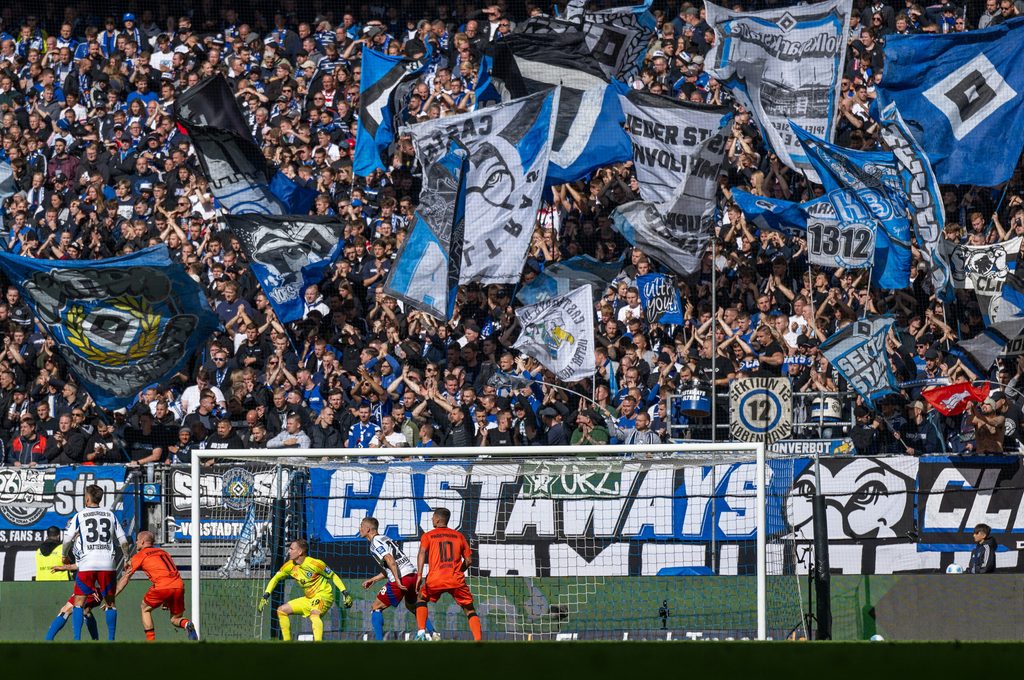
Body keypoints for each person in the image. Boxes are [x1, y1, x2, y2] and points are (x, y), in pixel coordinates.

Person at [61, 484, 130, 640]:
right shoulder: (110, 515)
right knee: (110, 603)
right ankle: (111, 641)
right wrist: (126, 558)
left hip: (87, 564)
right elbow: (123, 541)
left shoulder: (80, 515)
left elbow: (67, 539)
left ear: (87, 498)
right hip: (108, 564)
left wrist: (64, 555)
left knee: (79, 602)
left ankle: (77, 640)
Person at [257, 538, 353, 641]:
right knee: (281, 610)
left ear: (300, 552)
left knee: (314, 614)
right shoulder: (289, 566)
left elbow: (333, 576)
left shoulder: (315, 564)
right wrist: (266, 595)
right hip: (308, 599)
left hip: (323, 596)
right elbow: (275, 578)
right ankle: (286, 643)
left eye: (291, 549)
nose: (289, 551)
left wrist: (345, 593)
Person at [359, 517, 437, 640]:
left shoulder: (375, 543)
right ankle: (433, 633)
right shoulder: (386, 538)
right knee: (412, 606)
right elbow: (390, 566)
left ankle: (379, 643)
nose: (360, 528)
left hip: (401, 579)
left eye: (361, 526)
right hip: (412, 575)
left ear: (368, 529)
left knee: (376, 607)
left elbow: (390, 560)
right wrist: (373, 579)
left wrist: (397, 579)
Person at [113, 531, 198, 641]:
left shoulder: (141, 555)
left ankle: (151, 642)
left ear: (142, 542)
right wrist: (167, 599)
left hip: (162, 586)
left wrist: (112, 596)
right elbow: (165, 572)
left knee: (145, 609)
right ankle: (187, 624)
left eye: (137, 541)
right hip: (178, 585)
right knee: (175, 619)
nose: (136, 543)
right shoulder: (164, 552)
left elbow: (125, 578)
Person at [415, 507, 481, 641]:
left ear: (438, 519)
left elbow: (422, 553)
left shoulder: (428, 536)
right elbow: (468, 561)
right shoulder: (459, 536)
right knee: (469, 610)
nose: (432, 519)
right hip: (456, 580)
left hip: (435, 579)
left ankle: (421, 632)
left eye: (433, 517)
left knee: (421, 599)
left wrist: (419, 575)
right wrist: (459, 571)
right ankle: (479, 642)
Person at [43, 562, 103, 640]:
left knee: (66, 610)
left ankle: (48, 640)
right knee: (85, 611)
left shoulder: (89, 553)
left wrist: (63, 566)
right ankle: (95, 641)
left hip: (90, 585)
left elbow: (81, 564)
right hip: (93, 585)